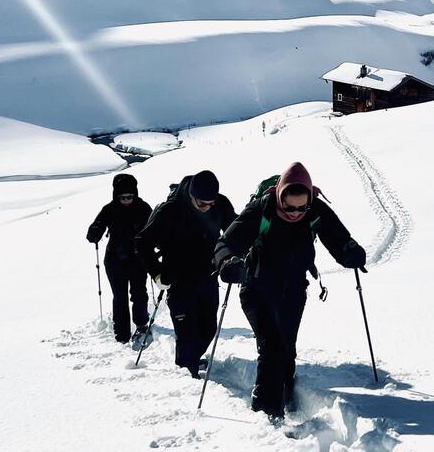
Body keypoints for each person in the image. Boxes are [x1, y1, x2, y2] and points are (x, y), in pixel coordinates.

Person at [214, 162, 367, 420]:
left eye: (302, 207)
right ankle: (267, 413)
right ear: (279, 196)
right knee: (272, 347)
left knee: (287, 349)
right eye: (289, 206)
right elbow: (226, 242)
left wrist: (350, 252)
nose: (296, 212)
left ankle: (285, 396)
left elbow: (338, 237)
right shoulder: (260, 210)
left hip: (294, 289)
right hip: (256, 289)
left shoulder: (315, 210)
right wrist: (227, 262)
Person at [135, 170, 237, 378]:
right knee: (186, 332)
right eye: (202, 204)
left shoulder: (220, 204)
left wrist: (234, 257)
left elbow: (235, 232)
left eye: (211, 203)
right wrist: (156, 274)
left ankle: (189, 360)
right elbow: (142, 243)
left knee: (208, 328)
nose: (207, 208)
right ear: (191, 195)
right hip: (178, 278)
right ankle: (186, 372)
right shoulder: (170, 211)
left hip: (208, 275)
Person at [86, 173, 153, 345]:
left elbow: (155, 229)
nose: (126, 200)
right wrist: (94, 232)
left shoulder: (144, 208)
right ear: (116, 196)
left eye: (130, 197)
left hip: (138, 260)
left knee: (139, 294)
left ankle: (142, 325)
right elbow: (96, 229)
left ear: (135, 194)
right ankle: (122, 334)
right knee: (119, 296)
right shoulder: (109, 209)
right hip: (115, 260)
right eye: (122, 197)